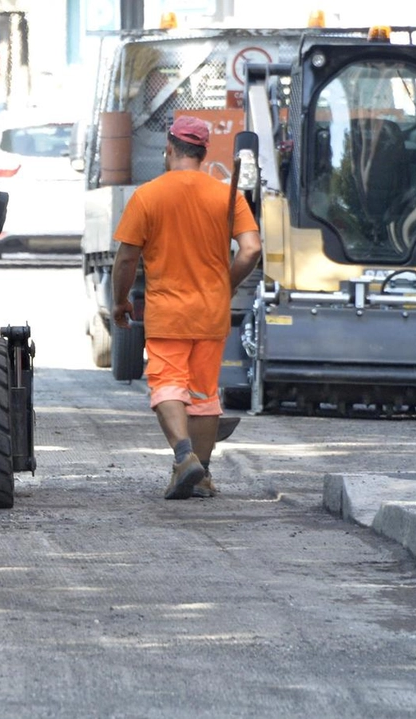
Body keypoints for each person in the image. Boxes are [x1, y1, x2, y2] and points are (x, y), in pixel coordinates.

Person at [110, 115, 262, 500]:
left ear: (170, 149)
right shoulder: (226, 196)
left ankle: (183, 455)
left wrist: (120, 301)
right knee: (204, 395)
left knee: (167, 387)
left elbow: (126, 258)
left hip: (168, 313)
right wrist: (224, 284)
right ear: (203, 152)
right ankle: (204, 474)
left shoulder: (148, 195)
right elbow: (251, 249)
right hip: (211, 312)